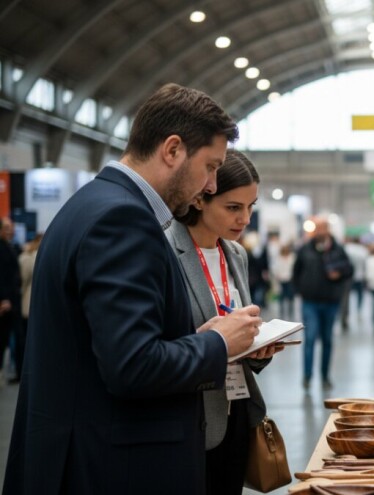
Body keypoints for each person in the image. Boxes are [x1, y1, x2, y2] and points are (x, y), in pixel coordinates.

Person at [3, 83, 263, 495]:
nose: (212, 185)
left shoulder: (93, 202)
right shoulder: (123, 219)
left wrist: (196, 338)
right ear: (172, 150)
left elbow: (109, 345)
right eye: (210, 166)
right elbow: (133, 366)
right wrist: (217, 343)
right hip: (111, 467)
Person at [166, 149, 282, 494]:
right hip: (190, 415)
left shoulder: (235, 254)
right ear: (200, 198)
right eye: (233, 207)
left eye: (250, 207)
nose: (245, 219)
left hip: (238, 408)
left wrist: (257, 348)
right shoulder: (164, 250)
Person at [293, 215, 352, 390]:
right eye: (317, 228)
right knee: (310, 338)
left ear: (328, 229)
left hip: (330, 301)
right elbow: (296, 272)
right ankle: (307, 376)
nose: (320, 232)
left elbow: (349, 269)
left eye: (323, 228)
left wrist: (338, 274)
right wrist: (301, 290)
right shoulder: (305, 249)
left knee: (327, 340)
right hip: (310, 302)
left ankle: (325, 376)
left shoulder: (337, 249)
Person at [14, 232, 42, 380]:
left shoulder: (27, 257)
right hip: (38, 303)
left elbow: (22, 281)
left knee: (24, 338)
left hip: (27, 301)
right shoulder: (42, 256)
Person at [0, 217, 22, 383]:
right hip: (6, 301)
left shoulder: (10, 246)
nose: (11, 230)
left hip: (13, 300)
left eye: (11, 227)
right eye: (7, 227)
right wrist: (4, 298)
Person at [340, 236, 369, 331]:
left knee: (346, 298)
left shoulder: (347, 248)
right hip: (360, 276)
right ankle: (358, 310)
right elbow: (366, 264)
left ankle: (345, 316)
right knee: (360, 295)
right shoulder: (363, 250)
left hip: (349, 277)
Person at [272, 242, 296, 320]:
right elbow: (275, 269)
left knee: (290, 298)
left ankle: (290, 314)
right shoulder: (279, 258)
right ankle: (282, 314)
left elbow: (295, 268)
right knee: (281, 298)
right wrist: (277, 276)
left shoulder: (292, 257)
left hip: (290, 280)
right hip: (281, 281)